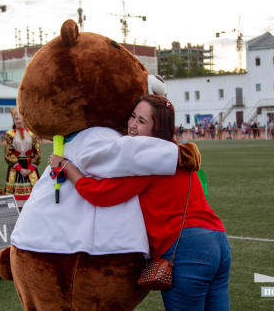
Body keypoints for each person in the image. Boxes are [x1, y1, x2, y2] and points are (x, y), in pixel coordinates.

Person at [50, 95, 230, 310]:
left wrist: (67, 167)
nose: (132, 125)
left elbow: (101, 194)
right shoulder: (177, 154)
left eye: (142, 121)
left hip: (186, 247)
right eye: (133, 117)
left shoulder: (151, 159)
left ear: (158, 128)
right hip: (218, 241)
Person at [4, 108, 41, 209]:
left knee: (34, 199)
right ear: (13, 120)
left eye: (20, 118)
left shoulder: (32, 133)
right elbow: (8, 153)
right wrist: (20, 168)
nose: (19, 121)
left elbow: (37, 153)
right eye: (16, 119)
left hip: (30, 168)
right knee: (16, 202)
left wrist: (29, 169)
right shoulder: (9, 134)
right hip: (16, 168)